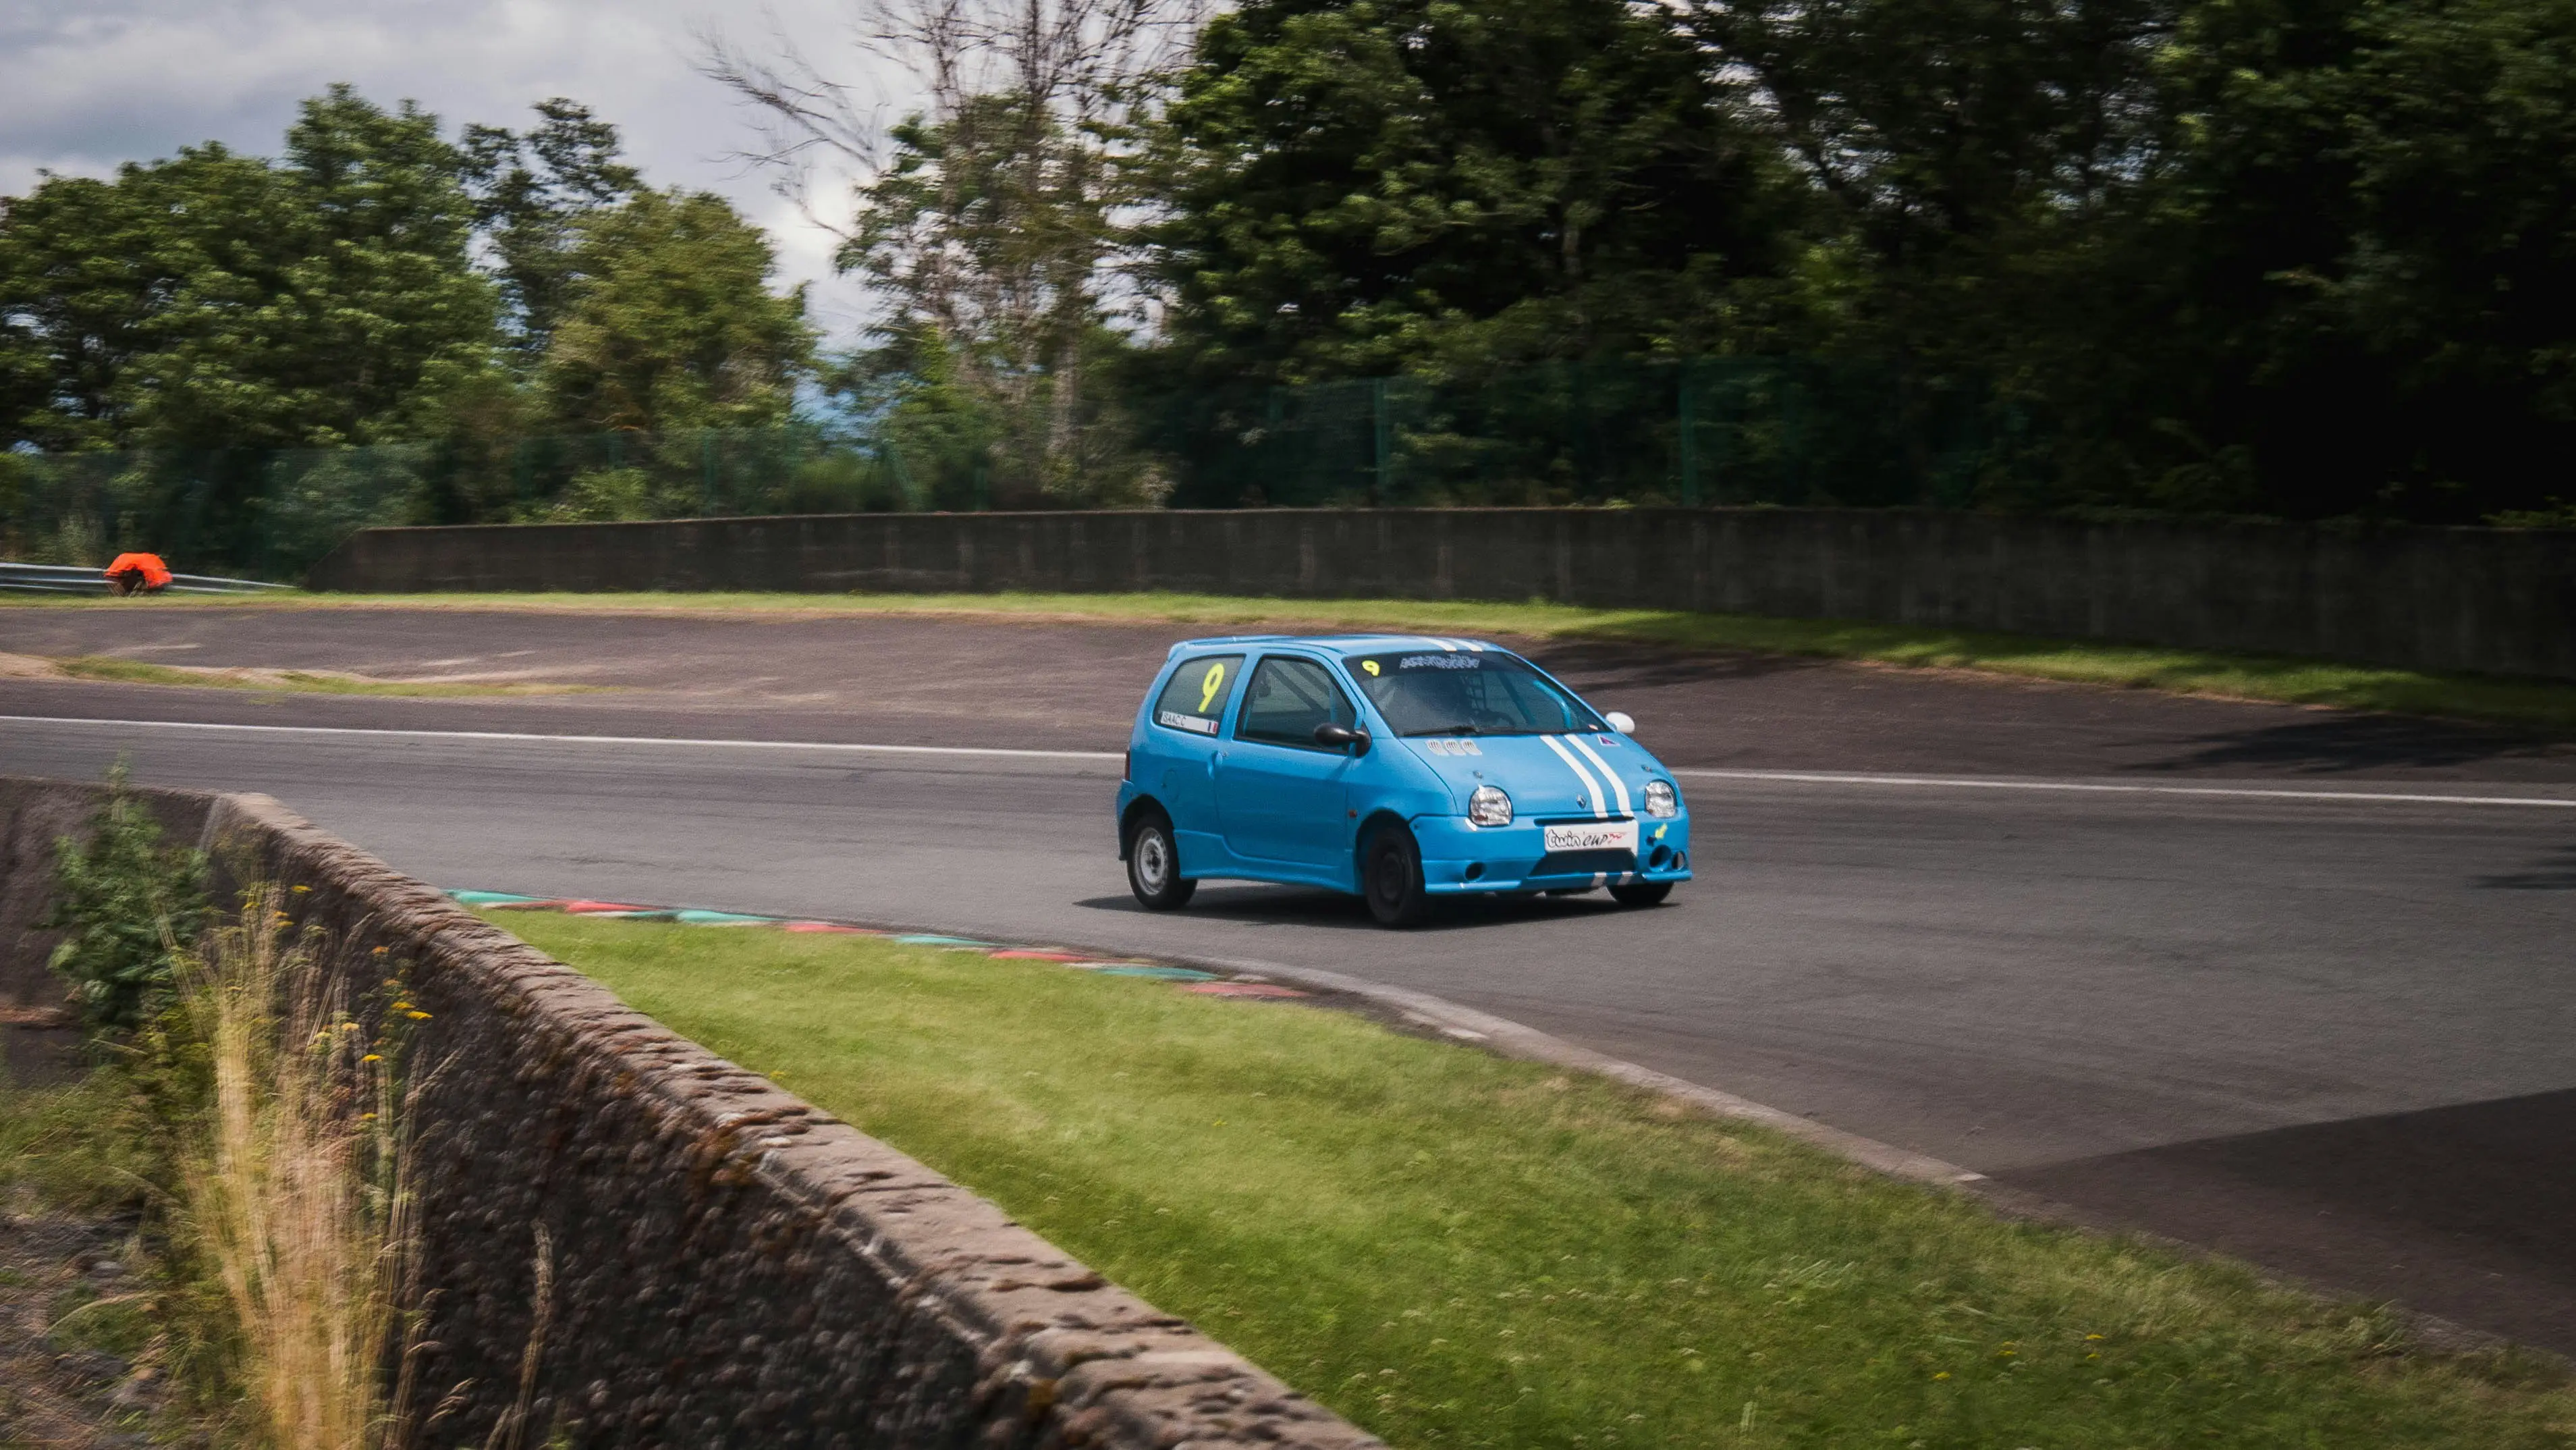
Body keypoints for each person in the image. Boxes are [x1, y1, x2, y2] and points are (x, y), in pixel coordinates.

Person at [102, 552, 172, 596]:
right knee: (122, 594)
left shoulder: (151, 561)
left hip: (117, 575)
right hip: (116, 576)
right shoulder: (150, 561)